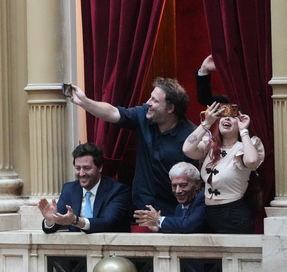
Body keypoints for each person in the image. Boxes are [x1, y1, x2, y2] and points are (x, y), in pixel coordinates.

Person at [67, 78, 195, 215]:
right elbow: (113, 112)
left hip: (174, 210)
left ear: (170, 108)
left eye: (155, 100)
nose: (148, 103)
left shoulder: (190, 136)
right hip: (141, 206)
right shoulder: (144, 115)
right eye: (150, 98)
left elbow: (194, 180)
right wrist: (84, 102)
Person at [182, 100, 264, 233]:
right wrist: (207, 123)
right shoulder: (209, 146)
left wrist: (244, 131)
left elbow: (252, 161)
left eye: (233, 117)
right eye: (224, 115)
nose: (227, 118)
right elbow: (187, 149)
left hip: (233, 215)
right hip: (208, 213)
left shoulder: (244, 147)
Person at [38, 142, 131, 233]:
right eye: (78, 168)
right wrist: (50, 220)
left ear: (100, 168)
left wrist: (76, 221)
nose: (81, 173)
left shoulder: (118, 190)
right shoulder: (69, 189)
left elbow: (107, 222)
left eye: (87, 168)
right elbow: (57, 222)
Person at [134, 162, 206, 233]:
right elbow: (180, 229)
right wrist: (159, 228)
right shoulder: (179, 208)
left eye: (183, 185)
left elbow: (188, 226)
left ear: (197, 184)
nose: (178, 191)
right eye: (174, 186)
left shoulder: (203, 201)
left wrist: (159, 220)